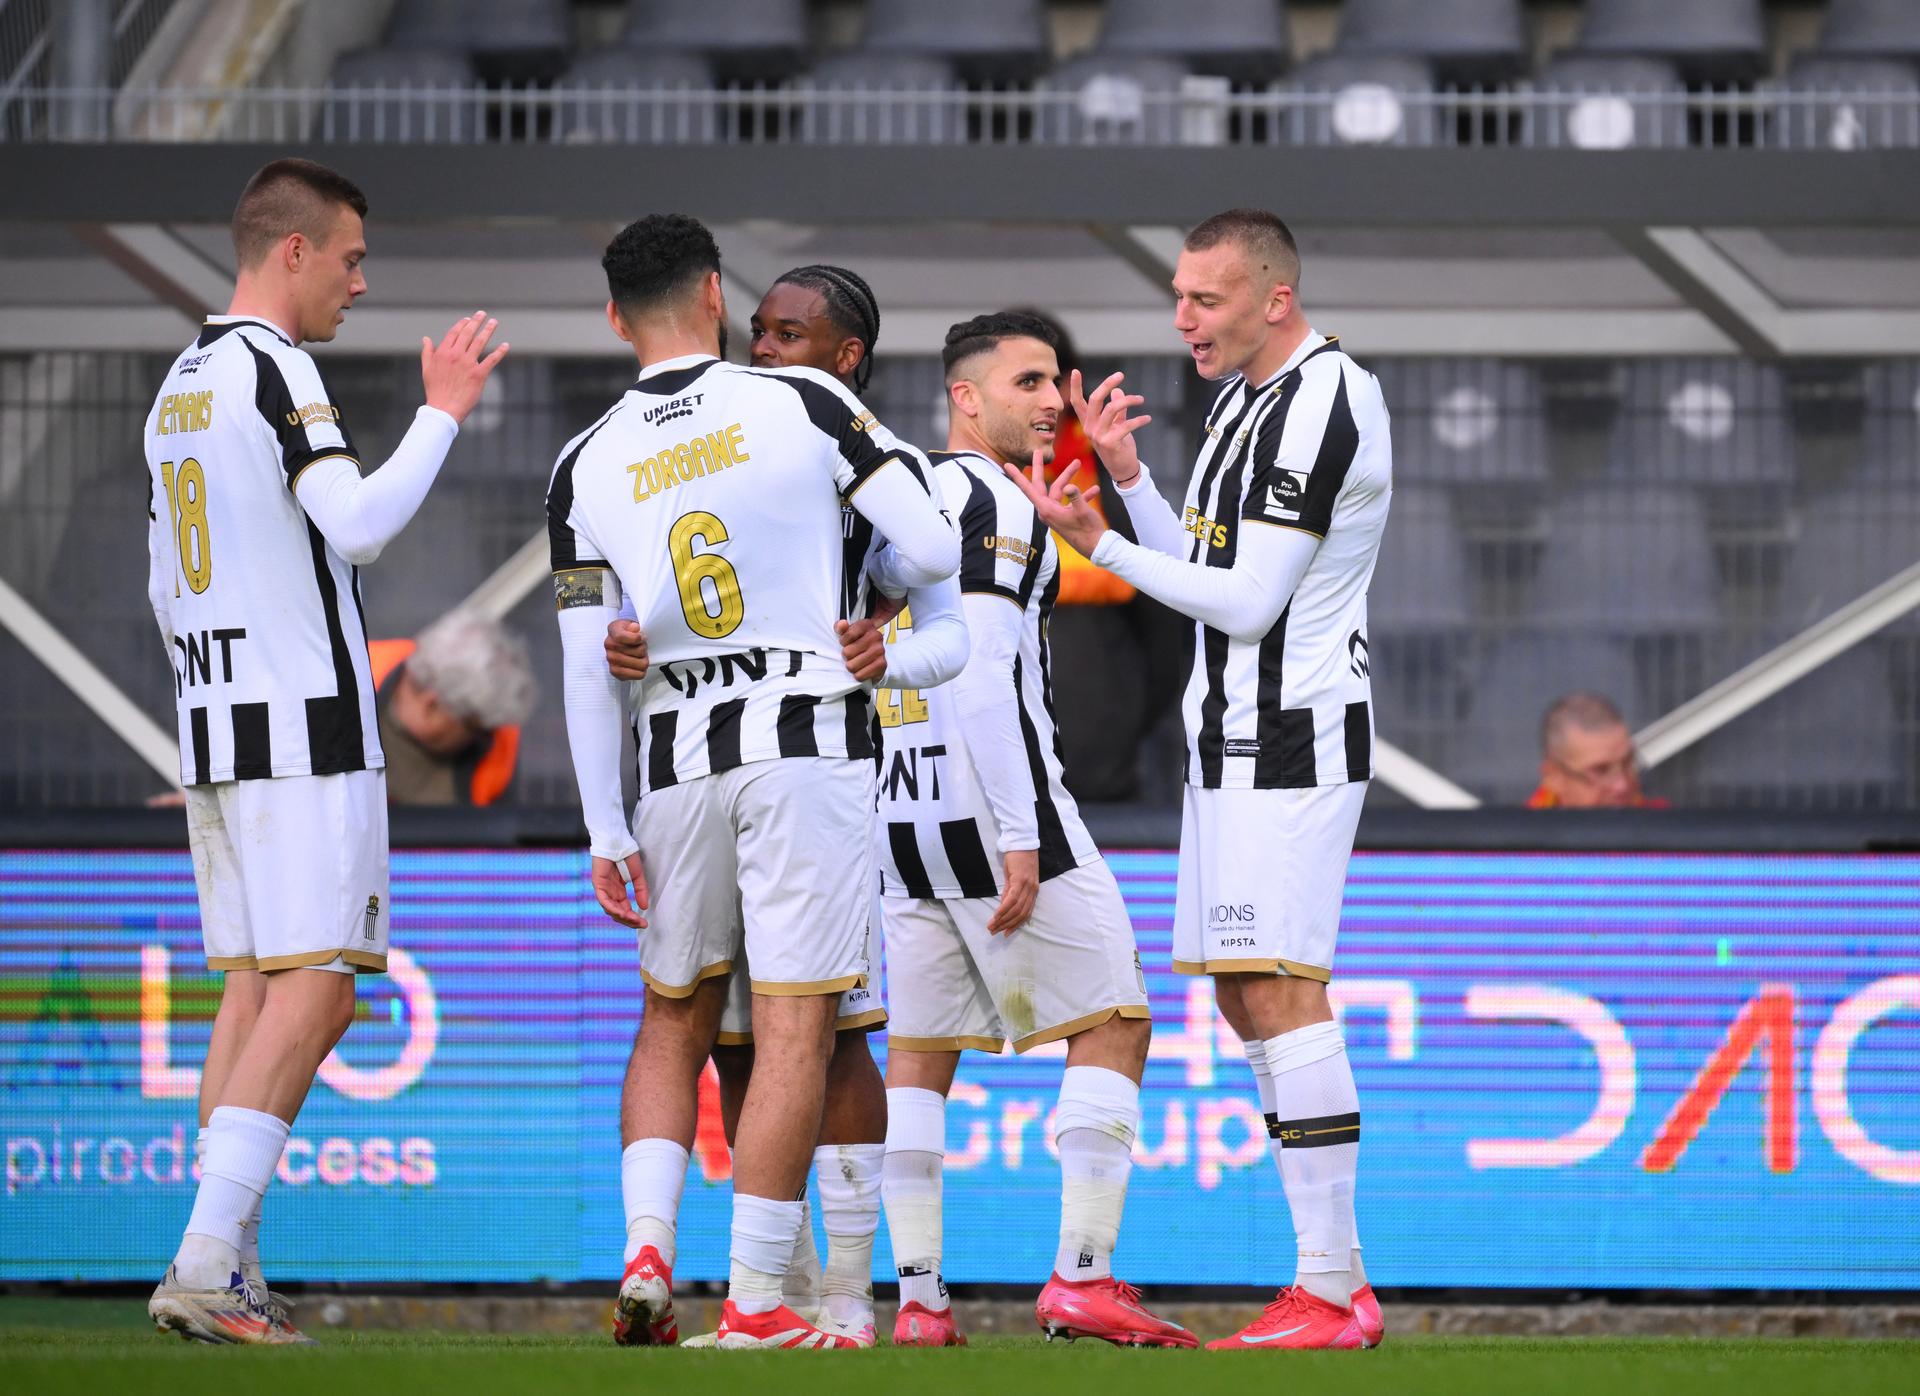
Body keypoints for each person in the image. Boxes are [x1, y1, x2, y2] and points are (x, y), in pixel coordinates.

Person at [549, 215, 957, 1352]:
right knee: (798, 1032)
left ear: (615, 316)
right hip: (802, 739)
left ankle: (645, 1251)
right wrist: (864, 588)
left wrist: (601, 824)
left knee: (671, 1017)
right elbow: (928, 548)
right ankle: (759, 1300)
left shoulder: (580, 460)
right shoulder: (804, 404)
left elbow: (590, 662)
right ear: (718, 294)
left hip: (672, 756)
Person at [1007, 209, 1390, 1351]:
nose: (1182, 318)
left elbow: (1252, 602)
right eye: (1177, 295)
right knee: (1242, 991)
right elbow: (1211, 563)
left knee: (1279, 984)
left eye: (1204, 299)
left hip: (1294, 737)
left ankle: (1332, 1292)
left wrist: (1101, 549)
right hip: (1228, 737)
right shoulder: (1241, 402)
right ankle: (1332, 1282)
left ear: (1275, 297)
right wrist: (1123, 487)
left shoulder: (1325, 398)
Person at [143, 158, 505, 1344]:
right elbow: (355, 519)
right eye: (349, 255)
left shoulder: (178, 386)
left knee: (251, 989)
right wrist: (442, 412)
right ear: (289, 250)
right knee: (324, 988)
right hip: (307, 727)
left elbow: (163, 583)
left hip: (218, 726)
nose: (360, 278)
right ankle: (206, 1261)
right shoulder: (271, 366)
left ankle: (224, 1262)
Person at [875, 311, 1194, 1350]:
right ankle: (1082, 1278)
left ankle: (918, 1302)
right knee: (1119, 1014)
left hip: (904, 814)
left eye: (1056, 379)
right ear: (965, 397)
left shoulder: (912, 494)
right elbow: (978, 665)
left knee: (920, 1053)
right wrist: (1021, 833)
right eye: (1028, 381)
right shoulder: (987, 499)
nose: (1053, 400)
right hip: (1003, 809)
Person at [369, 609, 537, 806]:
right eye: (475, 729)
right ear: (430, 705)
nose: (488, 737)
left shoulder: (497, 729)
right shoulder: (346, 676)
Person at [1526, 691, 1665, 808]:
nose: (1622, 786)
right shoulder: (1522, 835)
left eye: (1628, 763)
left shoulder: (1663, 827)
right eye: (1600, 770)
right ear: (1554, 776)